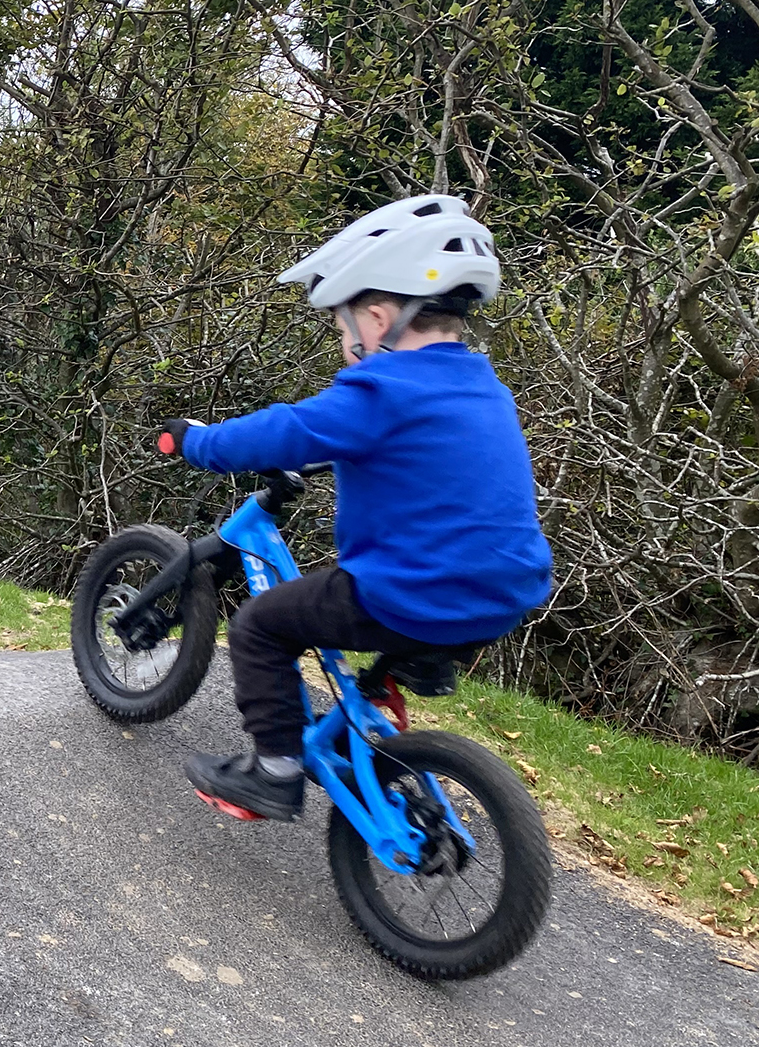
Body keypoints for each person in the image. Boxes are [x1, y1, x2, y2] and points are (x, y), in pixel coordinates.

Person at [153, 193, 553, 821]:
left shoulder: (382, 390)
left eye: (341, 325)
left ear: (376, 316)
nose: (343, 338)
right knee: (367, 626)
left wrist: (199, 441)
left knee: (261, 624)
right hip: (509, 589)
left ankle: (273, 771)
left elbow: (286, 429)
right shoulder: (484, 387)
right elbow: (430, 457)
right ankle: (367, 721)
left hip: (417, 590)